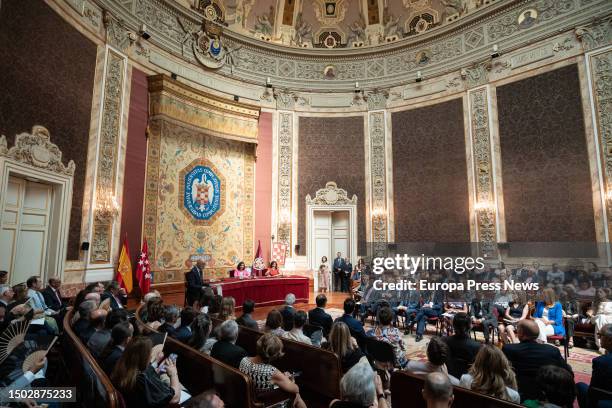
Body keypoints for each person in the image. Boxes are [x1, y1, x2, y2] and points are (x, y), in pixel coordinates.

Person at [502, 319, 572, 401]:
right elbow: (568, 373)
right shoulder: (552, 351)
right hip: (545, 396)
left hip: (518, 395)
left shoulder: (509, 349)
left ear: (521, 333)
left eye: (517, 330)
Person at [111, 336, 184, 407]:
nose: (151, 355)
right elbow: (174, 399)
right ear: (144, 357)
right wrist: (174, 374)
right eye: (150, 352)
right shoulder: (141, 379)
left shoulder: (120, 366)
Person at [239, 333, 306, 408]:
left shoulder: (243, 360)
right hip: (266, 402)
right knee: (296, 394)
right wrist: (291, 380)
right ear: (275, 354)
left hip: (247, 398)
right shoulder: (271, 372)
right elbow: (296, 389)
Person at [576, 324, 612, 408]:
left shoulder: (601, 361)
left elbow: (593, 390)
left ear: (610, 340)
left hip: (604, 403)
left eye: (600, 335)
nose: (598, 338)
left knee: (580, 386)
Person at [441, 312, 481, 378]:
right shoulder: (476, 346)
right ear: (470, 326)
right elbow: (478, 368)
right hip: (467, 380)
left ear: (453, 325)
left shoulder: (444, 341)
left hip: (447, 376)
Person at [589, 288, 612, 353]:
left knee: (602, 318)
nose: (598, 293)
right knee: (601, 317)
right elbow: (591, 312)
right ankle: (601, 346)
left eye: (600, 292)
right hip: (597, 318)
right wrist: (590, 312)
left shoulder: (611, 302)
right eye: (597, 292)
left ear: (606, 293)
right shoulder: (595, 302)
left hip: (610, 318)